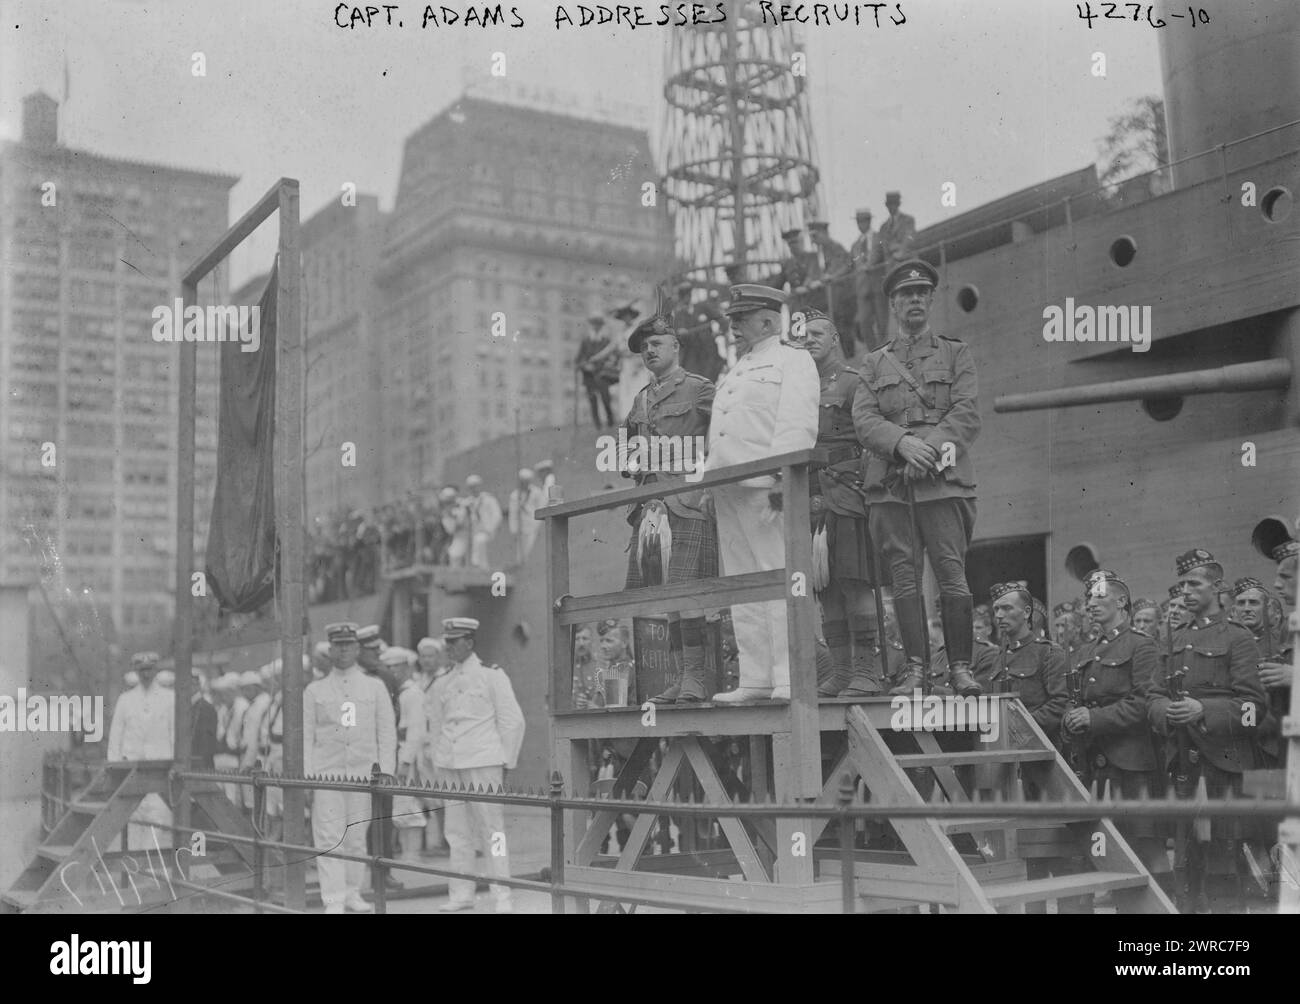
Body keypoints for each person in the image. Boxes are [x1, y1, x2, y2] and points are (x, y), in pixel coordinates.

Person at [853, 259, 981, 698]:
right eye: (905, 295)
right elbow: (865, 419)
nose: (914, 300)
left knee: (952, 574)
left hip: (943, 482)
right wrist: (902, 445)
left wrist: (925, 452)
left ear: (930, 300)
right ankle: (915, 671)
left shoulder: (955, 353)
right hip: (892, 485)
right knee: (904, 579)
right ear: (892, 303)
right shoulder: (873, 363)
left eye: (921, 293)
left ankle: (961, 668)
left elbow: (966, 414)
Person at [704, 284, 819, 702]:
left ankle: (787, 676)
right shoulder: (737, 367)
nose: (732, 326)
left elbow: (796, 424)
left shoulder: (794, 360)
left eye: (741, 318)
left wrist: (780, 481)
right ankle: (755, 677)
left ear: (769, 320)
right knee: (743, 584)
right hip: (728, 488)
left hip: (766, 486)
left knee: (777, 577)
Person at [1149, 549, 1267, 912]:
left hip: (1224, 767)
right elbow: (1152, 696)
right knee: (1187, 862)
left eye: (1194, 584)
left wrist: (1205, 709)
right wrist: (1166, 711)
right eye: (1181, 584)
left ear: (1217, 587)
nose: (1185, 591)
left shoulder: (1238, 638)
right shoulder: (1172, 639)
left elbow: (1254, 707)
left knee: (1224, 861)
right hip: (1184, 764)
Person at [618, 311, 718, 704]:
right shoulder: (641, 398)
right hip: (650, 508)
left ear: (676, 347)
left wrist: (708, 479)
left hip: (687, 502)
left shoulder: (699, 388)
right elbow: (626, 448)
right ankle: (680, 678)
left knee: (687, 593)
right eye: (644, 348)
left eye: (656, 344)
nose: (649, 352)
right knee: (667, 600)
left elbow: (724, 433)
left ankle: (696, 677)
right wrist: (631, 460)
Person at [1063, 569, 1170, 892]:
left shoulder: (1142, 646)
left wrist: (1094, 719)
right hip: (1095, 763)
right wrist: (1071, 718)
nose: (1090, 603)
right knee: (1108, 846)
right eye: (1088, 597)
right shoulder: (1085, 651)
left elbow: (1144, 703)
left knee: (1146, 845)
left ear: (1122, 600)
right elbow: (1076, 699)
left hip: (1133, 763)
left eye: (1099, 595)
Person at [796, 309, 883, 697]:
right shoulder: (797, 387)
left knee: (854, 580)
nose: (809, 340)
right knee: (824, 586)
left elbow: (870, 437)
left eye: (817, 333)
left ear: (834, 338)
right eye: (804, 336)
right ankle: (842, 672)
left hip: (846, 494)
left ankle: (866, 671)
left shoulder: (852, 381)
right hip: (808, 498)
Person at [427, 617, 525, 913]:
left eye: (454, 642)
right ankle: (461, 893)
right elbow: (435, 724)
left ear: (469, 642)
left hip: (483, 760)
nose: (449, 648)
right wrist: (437, 761)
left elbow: (512, 720)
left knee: (492, 831)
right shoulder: (441, 680)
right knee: (456, 832)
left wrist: (504, 762)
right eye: (447, 643)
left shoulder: (491, 676)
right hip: (450, 763)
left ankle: (502, 896)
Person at [304, 622, 397, 914]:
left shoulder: (374, 686)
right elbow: (307, 737)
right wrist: (308, 779)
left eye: (348, 645)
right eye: (338, 646)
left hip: (361, 774)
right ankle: (333, 900)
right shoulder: (314, 690)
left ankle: (353, 893)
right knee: (330, 839)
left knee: (356, 838)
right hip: (327, 774)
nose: (343, 651)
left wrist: (385, 772)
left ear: (357, 649)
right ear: (330, 650)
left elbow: (386, 732)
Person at [107, 652, 175, 848]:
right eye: (141, 670)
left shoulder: (169, 698)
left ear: (156, 670)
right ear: (136, 671)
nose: (146, 674)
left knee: (158, 822)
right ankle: (136, 874)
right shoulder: (126, 699)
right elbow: (116, 736)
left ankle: (152, 874)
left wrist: (174, 763)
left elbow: (175, 734)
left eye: (150, 669)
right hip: (131, 772)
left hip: (159, 772)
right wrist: (116, 767)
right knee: (133, 823)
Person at [806, 221, 856, 354]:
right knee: (837, 324)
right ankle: (848, 355)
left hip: (844, 292)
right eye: (812, 237)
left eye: (815, 236)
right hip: (832, 294)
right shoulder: (821, 251)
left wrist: (831, 276)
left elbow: (845, 266)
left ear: (824, 233)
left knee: (844, 324)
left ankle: (850, 355)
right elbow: (819, 272)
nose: (813, 240)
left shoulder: (835, 247)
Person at [670, 280, 725, 383]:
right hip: (691, 356)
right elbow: (674, 338)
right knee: (695, 383)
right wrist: (680, 334)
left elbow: (721, 319)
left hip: (709, 353)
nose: (686, 298)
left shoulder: (702, 307)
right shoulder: (678, 316)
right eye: (683, 296)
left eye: (688, 294)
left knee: (710, 381)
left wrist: (719, 332)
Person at [575, 314, 620, 428]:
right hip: (589, 376)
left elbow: (614, 356)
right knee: (592, 401)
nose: (596, 326)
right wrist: (585, 366)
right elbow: (578, 359)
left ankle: (610, 423)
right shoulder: (585, 341)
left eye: (598, 324)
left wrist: (608, 364)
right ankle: (597, 426)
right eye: (594, 324)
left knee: (606, 399)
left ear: (601, 326)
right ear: (591, 325)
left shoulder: (606, 341)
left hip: (603, 375)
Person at [849, 208, 883, 351]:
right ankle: (874, 352)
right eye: (858, 221)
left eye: (863, 221)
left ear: (869, 221)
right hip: (862, 288)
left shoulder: (879, 237)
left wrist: (869, 265)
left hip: (878, 285)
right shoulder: (855, 245)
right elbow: (851, 266)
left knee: (882, 321)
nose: (860, 224)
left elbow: (879, 255)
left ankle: (885, 351)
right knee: (864, 323)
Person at [462, 474, 503, 571]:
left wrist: (490, 529)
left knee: (480, 540)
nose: (473, 489)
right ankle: (473, 568)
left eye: (475, 486)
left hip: (486, 530)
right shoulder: (467, 502)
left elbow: (497, 516)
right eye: (471, 487)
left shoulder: (489, 499)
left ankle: (482, 568)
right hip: (472, 531)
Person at [507, 468, 546, 562]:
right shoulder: (515, 495)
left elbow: (541, 507)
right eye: (523, 481)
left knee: (531, 549)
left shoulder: (536, 492)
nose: (525, 483)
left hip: (534, 524)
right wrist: (513, 528)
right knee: (521, 552)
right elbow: (513, 513)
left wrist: (538, 524)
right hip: (521, 526)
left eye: (527, 481)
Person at [190, 667, 220, 770]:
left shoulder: (206, 708)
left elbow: (206, 743)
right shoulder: (186, 707)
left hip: (201, 764)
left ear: (198, 685)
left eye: (192, 684)